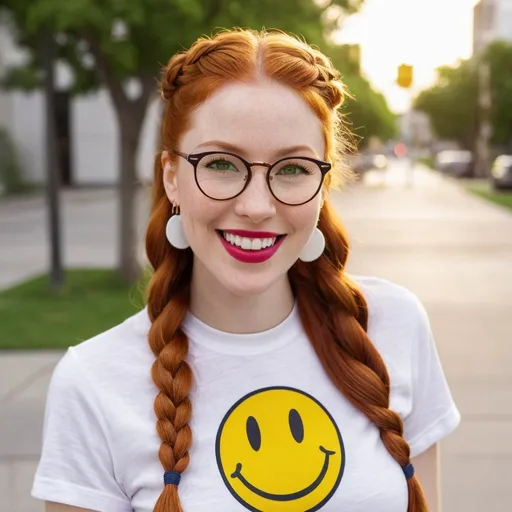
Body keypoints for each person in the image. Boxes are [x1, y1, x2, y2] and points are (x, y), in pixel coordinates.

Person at [31, 28, 460, 512]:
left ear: (324, 183)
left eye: (293, 168)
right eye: (222, 164)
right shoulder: (93, 383)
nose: (257, 206)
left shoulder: (393, 326)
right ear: (172, 177)